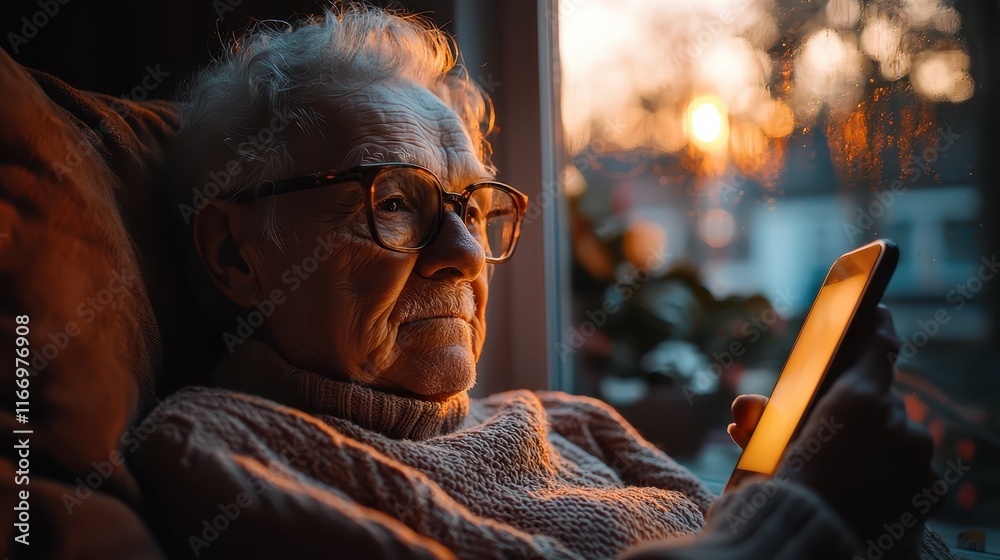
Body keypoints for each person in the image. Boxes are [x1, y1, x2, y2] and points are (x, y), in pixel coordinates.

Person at [132, 4, 954, 559]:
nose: (463, 251)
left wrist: (867, 506)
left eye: (475, 207)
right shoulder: (222, 450)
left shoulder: (572, 422)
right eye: (393, 201)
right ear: (237, 255)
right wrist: (807, 510)